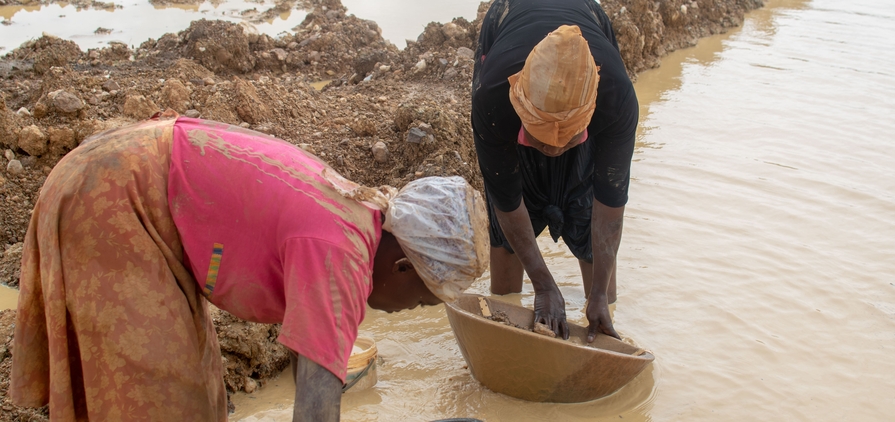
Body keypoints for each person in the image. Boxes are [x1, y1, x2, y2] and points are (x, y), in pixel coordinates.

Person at [10, 111, 489, 421]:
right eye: (423, 299)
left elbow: (312, 362)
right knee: (156, 403)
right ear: (403, 266)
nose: (409, 312)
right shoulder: (341, 256)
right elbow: (316, 409)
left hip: (135, 179)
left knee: (201, 397)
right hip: (115, 193)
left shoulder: (355, 215)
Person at [471, 0, 639, 342]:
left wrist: (600, 296)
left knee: (586, 202)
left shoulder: (616, 96)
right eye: (542, 136)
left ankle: (601, 308)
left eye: (568, 136)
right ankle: (508, 313)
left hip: (585, 14)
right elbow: (506, 199)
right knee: (507, 225)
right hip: (511, 15)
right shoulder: (493, 97)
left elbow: (610, 203)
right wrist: (544, 286)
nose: (554, 148)